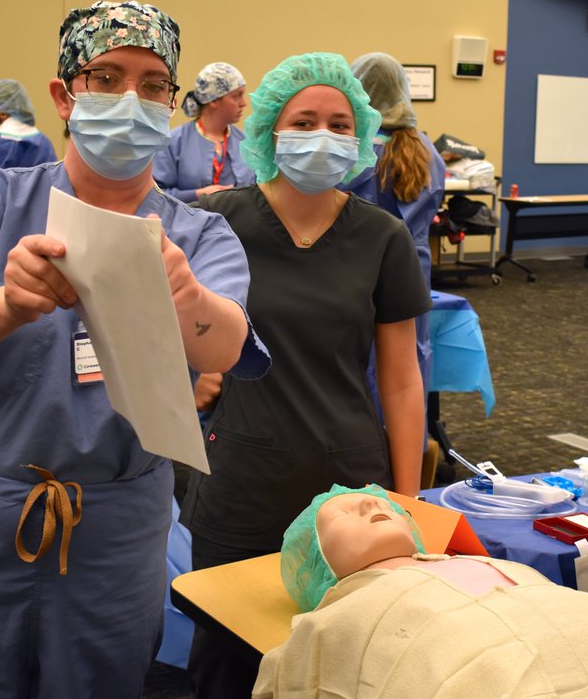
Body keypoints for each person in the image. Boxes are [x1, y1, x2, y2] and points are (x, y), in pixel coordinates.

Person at [0, 0, 270, 699]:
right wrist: (5, 303)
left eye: (153, 86)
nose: (131, 99)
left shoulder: (197, 235)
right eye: (106, 76)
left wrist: (184, 295)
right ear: (63, 96)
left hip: (112, 534)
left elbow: (229, 348)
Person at [179, 51, 430, 698]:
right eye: (305, 120)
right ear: (268, 131)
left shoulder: (381, 237)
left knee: (348, 660)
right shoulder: (221, 223)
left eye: (340, 124)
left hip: (351, 486)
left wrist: (407, 501)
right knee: (227, 658)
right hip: (241, 479)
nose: (323, 135)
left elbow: (402, 381)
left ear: (361, 136)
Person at [255, 484, 588, 699]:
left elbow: (555, 609)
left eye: (387, 506)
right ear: (321, 567)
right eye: (341, 515)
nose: (372, 505)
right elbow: (295, 674)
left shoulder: (492, 566)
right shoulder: (342, 611)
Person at [343, 52, 446, 398]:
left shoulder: (355, 155)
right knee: (409, 364)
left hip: (358, 276)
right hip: (412, 276)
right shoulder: (426, 151)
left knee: (362, 366)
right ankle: (408, 447)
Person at [152, 61, 255, 202]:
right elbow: (157, 195)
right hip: (185, 222)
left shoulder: (247, 143)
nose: (244, 103)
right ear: (213, 100)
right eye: (237, 96)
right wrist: (198, 194)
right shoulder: (174, 142)